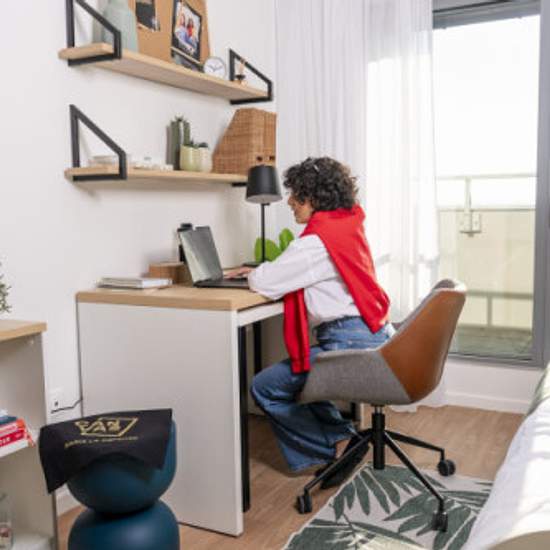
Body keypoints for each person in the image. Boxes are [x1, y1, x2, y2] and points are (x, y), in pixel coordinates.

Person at [225, 157, 394, 487]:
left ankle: (336, 444)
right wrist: (268, 271)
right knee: (299, 378)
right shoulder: (345, 227)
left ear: (314, 197)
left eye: (296, 195)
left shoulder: (316, 242)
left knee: (265, 387)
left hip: (350, 344)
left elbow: (265, 282)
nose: (289, 201)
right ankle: (343, 439)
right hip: (371, 335)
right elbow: (287, 273)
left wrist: (257, 272)